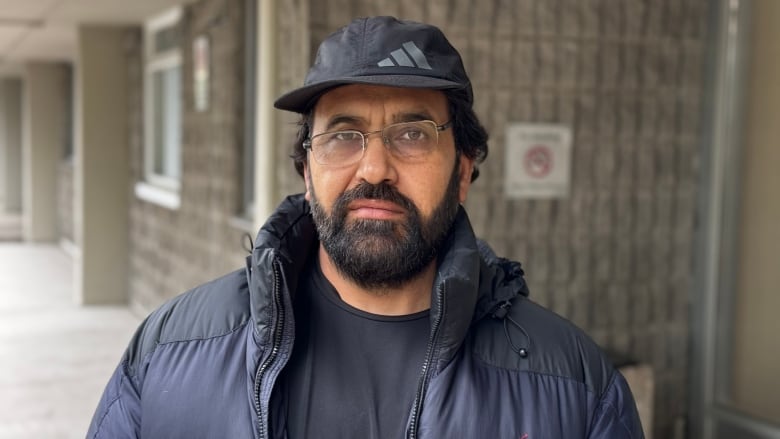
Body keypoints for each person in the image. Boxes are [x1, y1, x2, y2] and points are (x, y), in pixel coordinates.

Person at [87, 16, 644, 439]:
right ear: (307, 171)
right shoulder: (169, 354)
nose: (374, 168)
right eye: (343, 135)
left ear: (464, 170)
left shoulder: (576, 390)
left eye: (413, 134)